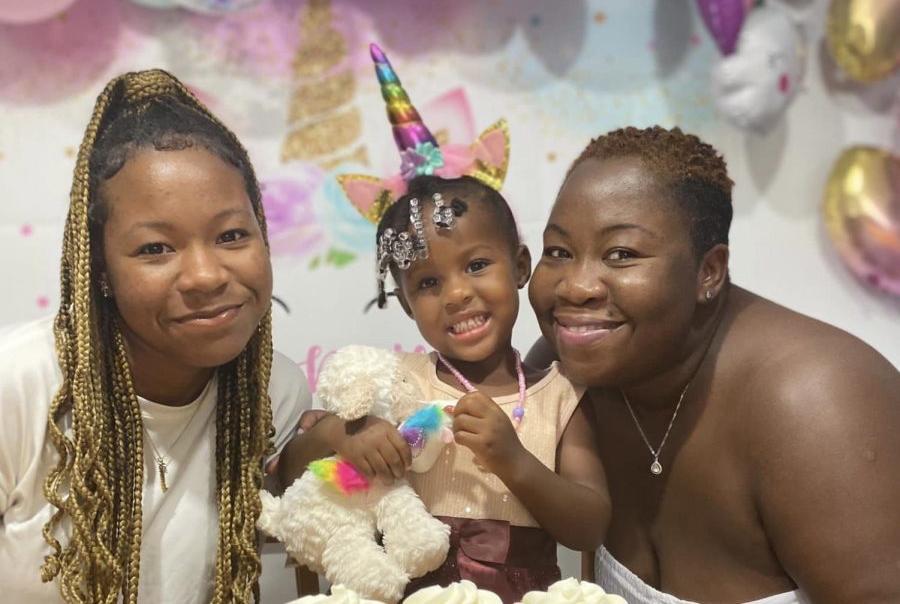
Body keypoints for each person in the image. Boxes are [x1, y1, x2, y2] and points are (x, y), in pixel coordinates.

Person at [275, 45, 610, 603]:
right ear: (407, 305)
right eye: (428, 284)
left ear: (520, 267)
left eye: (477, 266)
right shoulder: (397, 383)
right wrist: (344, 435)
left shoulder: (560, 398)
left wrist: (515, 461)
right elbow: (290, 468)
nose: (456, 294)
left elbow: (590, 525)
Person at [525, 126, 900, 604]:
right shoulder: (567, 375)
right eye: (558, 252)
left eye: (621, 254)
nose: (575, 287)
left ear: (710, 272)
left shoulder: (815, 400)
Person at [0, 70, 311, 604]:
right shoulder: (19, 385)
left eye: (232, 235)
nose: (206, 275)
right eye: (155, 249)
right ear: (100, 268)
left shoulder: (274, 392)